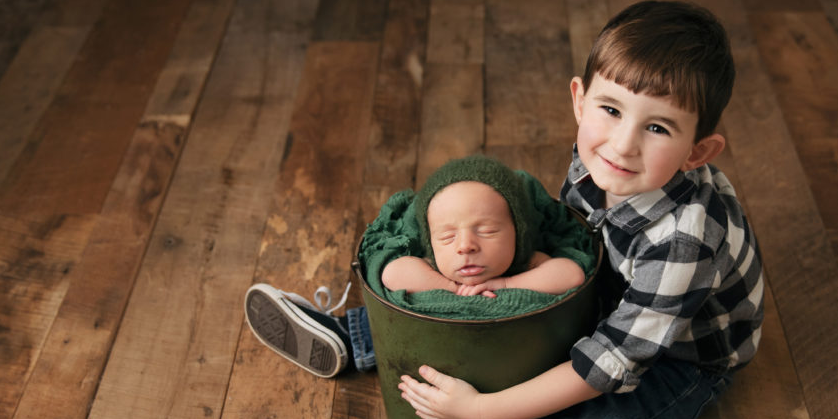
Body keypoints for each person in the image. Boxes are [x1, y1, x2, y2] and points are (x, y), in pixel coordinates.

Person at [399, 0, 764, 419]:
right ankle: (360, 332)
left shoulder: (685, 238)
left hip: (680, 355)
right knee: (495, 289)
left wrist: (482, 410)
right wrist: (516, 283)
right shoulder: (599, 163)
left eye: (658, 129)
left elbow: (607, 367)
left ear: (699, 149)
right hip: (612, 293)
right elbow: (569, 242)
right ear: (580, 98)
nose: (622, 144)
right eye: (612, 110)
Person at [244, 155, 586, 378]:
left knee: (382, 334)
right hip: (430, 353)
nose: (466, 245)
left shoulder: (526, 263)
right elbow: (392, 273)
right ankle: (343, 336)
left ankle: (345, 336)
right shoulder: (433, 270)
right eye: (447, 237)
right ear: (431, 244)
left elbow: (573, 274)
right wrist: (449, 288)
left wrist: (507, 286)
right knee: (394, 328)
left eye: (487, 230)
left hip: (505, 364)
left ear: (519, 232)